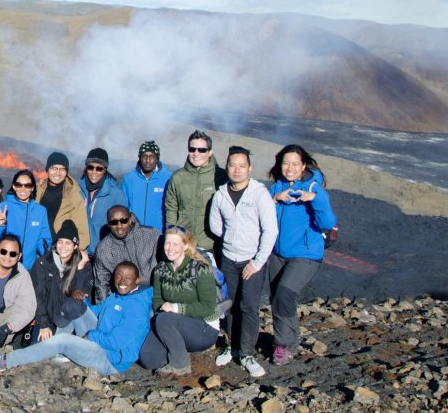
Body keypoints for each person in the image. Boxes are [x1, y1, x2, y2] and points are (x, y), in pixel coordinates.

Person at [0, 261, 153, 375]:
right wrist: (82, 303)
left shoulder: (137, 307)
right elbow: (98, 313)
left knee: (62, 341)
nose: (122, 281)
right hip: (100, 341)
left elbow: (115, 342)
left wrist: (90, 336)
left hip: (111, 360)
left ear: (137, 280)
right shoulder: (118, 296)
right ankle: (58, 353)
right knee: (73, 306)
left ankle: (4, 361)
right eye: (119, 276)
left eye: (128, 278)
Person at [208, 146, 278, 378]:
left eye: (242, 165)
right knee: (228, 304)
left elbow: (270, 230)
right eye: (232, 165)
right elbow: (216, 226)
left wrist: (256, 262)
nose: (236, 170)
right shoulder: (220, 195)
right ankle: (231, 345)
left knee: (248, 305)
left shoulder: (259, 194)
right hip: (229, 257)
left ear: (250, 168)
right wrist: (230, 241)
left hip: (252, 260)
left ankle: (247, 353)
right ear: (227, 167)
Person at [267, 144, 337, 366]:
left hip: (305, 254)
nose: (289, 168)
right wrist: (275, 198)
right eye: (286, 163)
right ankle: (289, 341)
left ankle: (284, 345)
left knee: (284, 294)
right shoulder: (275, 187)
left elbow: (328, 222)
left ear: (303, 165)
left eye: (295, 164)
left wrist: (313, 198)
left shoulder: (314, 187)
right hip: (277, 253)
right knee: (277, 298)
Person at [138, 226, 220, 375]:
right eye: (167, 243)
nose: (170, 248)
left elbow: (208, 307)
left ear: (186, 245)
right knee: (148, 358)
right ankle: (176, 350)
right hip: (172, 325)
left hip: (204, 329)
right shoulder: (160, 270)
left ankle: (181, 364)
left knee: (164, 319)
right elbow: (158, 301)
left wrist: (176, 308)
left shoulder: (200, 269)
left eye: (175, 244)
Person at [29, 219, 93, 341]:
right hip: (47, 318)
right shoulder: (43, 263)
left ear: (75, 246)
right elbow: (38, 296)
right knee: (41, 349)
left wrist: (79, 270)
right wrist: (43, 325)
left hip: (69, 319)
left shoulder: (84, 265)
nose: (63, 247)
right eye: (60, 242)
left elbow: (79, 300)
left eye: (68, 243)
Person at [164, 130, 228, 251]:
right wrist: (171, 236)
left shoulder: (221, 176)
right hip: (184, 244)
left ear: (210, 152)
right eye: (192, 149)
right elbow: (171, 209)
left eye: (202, 150)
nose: (196, 153)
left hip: (212, 245)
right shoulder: (178, 177)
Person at [92, 205, 161, 304]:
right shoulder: (103, 249)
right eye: (114, 222)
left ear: (130, 220)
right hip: (121, 298)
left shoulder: (150, 235)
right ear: (108, 225)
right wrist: (105, 309)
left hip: (151, 295)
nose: (119, 226)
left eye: (123, 221)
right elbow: (101, 285)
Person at [0, 169, 52, 269]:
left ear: (32, 188)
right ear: (14, 186)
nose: (23, 189)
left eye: (27, 185)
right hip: (2, 265)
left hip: (26, 268)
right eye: (19, 185)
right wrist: (0, 225)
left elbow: (43, 241)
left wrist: (49, 257)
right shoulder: (5, 207)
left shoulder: (40, 211)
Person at [36, 152, 91, 251]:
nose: (58, 173)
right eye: (54, 168)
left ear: (66, 172)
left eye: (62, 169)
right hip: (35, 250)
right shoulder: (37, 190)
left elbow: (83, 234)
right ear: (47, 169)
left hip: (60, 253)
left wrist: (69, 256)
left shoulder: (74, 196)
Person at [77, 148, 128, 254]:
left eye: (99, 168)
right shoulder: (77, 189)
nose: (94, 172)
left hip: (103, 253)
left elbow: (122, 227)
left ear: (105, 170)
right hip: (79, 252)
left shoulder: (115, 194)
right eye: (90, 167)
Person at [122, 140, 172, 231]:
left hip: (158, 232)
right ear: (139, 158)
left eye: (151, 157)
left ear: (157, 159)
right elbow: (123, 207)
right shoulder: (129, 179)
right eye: (144, 156)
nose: (148, 160)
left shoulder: (168, 178)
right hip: (133, 232)